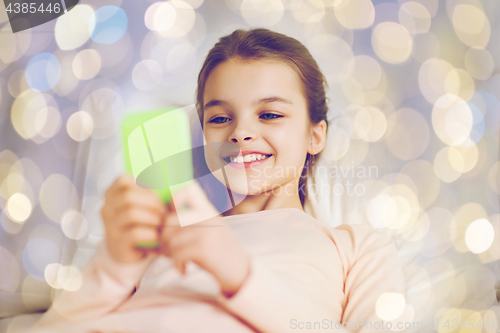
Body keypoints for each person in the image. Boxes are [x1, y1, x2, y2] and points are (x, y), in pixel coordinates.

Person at [29, 28, 407, 333]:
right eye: (220, 119)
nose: (241, 132)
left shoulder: (355, 248)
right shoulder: (164, 229)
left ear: (315, 135)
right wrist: (114, 265)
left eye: (271, 114)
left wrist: (239, 272)